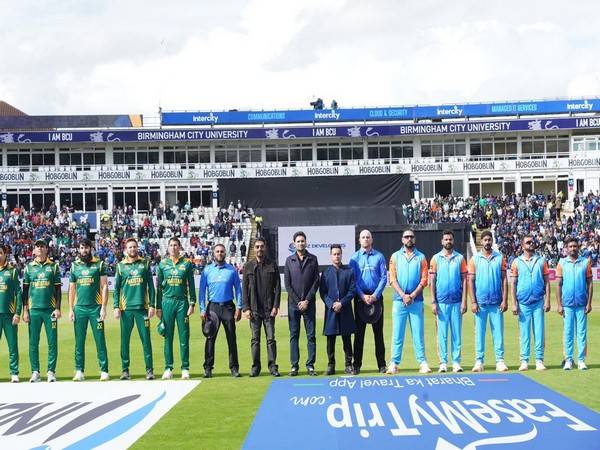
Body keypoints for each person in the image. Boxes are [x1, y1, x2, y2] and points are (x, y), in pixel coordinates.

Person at [388, 229, 432, 374]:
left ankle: (422, 362)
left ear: (414, 239)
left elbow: (424, 280)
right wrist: (403, 295)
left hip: (416, 301)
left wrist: (411, 296)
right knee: (397, 333)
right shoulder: (395, 256)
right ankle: (394, 363)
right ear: (402, 239)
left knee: (418, 333)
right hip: (399, 301)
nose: (409, 239)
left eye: (411, 237)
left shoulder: (421, 257)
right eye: (406, 237)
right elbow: (392, 279)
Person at [113, 238, 156, 380]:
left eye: (134, 247)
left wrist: (152, 305)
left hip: (142, 309)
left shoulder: (145, 264)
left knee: (146, 340)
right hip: (126, 310)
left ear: (137, 248)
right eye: (130, 247)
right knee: (124, 341)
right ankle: (125, 370)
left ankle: (149, 370)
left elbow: (151, 286)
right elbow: (117, 288)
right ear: (126, 249)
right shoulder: (120, 266)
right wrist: (116, 307)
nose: (132, 249)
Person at [68, 239, 109, 381]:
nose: (84, 250)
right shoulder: (74, 266)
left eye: (86, 248)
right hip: (79, 309)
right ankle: (79, 370)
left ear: (91, 249)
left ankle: (104, 370)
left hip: (95, 308)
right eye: (81, 247)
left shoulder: (99, 264)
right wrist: (70, 309)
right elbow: (72, 288)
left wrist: (103, 307)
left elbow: (104, 286)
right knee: (79, 341)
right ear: (79, 249)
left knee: (100, 340)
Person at [199, 243, 242, 378]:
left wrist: (239, 306)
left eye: (222, 251)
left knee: (231, 338)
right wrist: (202, 309)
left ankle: (234, 368)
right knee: (210, 338)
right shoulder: (207, 271)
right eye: (217, 251)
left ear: (225, 253)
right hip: (212, 308)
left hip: (228, 307)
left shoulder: (232, 270)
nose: (219, 253)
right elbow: (201, 291)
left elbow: (238, 290)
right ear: (214, 253)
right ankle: (208, 368)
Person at [156, 237, 196, 380]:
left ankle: (185, 368)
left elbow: (191, 285)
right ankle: (168, 367)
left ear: (180, 247)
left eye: (176, 245)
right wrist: (158, 307)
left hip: (182, 303)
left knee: (184, 336)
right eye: (171, 245)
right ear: (168, 248)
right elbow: (158, 289)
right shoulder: (162, 265)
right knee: (168, 337)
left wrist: (192, 303)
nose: (173, 248)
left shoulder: (186, 264)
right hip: (167, 302)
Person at [469, 230, 508, 372]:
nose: (487, 242)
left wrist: (505, 300)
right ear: (481, 242)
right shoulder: (475, 259)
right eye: (484, 240)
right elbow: (471, 281)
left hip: (496, 303)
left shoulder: (499, 258)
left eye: (489, 240)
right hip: (480, 304)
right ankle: (479, 361)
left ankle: (500, 361)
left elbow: (504, 280)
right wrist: (473, 302)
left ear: (492, 241)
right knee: (479, 333)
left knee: (498, 333)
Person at [23, 239, 62, 383]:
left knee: (52, 342)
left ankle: (51, 371)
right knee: (33, 342)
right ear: (34, 250)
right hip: (34, 311)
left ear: (47, 249)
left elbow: (58, 290)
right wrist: (25, 311)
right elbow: (25, 292)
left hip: (50, 311)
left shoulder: (54, 267)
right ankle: (35, 372)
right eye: (37, 246)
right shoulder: (29, 268)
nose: (39, 248)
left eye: (42, 246)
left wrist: (57, 308)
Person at [510, 234, 551, 371]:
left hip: (538, 302)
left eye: (532, 242)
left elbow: (547, 282)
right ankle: (524, 361)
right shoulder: (516, 262)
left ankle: (539, 360)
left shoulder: (541, 261)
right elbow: (513, 284)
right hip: (523, 303)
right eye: (528, 242)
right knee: (524, 333)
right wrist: (514, 303)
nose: (531, 244)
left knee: (539, 332)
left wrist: (548, 300)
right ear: (522, 246)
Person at [349, 229, 387, 374]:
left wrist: (375, 295)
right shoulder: (354, 258)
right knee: (359, 335)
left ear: (372, 239)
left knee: (378, 334)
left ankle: (381, 365)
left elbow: (384, 277)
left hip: (376, 299)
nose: (365, 239)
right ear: (359, 240)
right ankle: (356, 365)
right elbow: (353, 281)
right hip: (360, 299)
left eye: (368, 237)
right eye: (363, 237)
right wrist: (362, 296)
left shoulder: (379, 256)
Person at [430, 230, 468, 373]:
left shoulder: (460, 258)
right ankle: (443, 363)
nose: (448, 242)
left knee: (456, 333)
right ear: (442, 241)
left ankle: (456, 362)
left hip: (457, 302)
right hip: (441, 303)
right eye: (446, 239)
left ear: (453, 241)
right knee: (442, 334)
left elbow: (465, 280)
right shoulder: (435, 258)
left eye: (450, 239)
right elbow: (432, 282)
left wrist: (464, 301)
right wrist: (433, 302)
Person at [242, 238, 281, 377]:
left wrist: (276, 306)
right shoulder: (248, 266)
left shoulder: (272, 265)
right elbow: (244, 289)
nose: (260, 249)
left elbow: (278, 287)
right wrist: (246, 308)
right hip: (254, 310)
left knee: (271, 339)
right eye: (257, 247)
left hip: (269, 309)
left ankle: (272, 367)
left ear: (265, 248)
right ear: (254, 249)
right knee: (255, 340)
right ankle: (255, 367)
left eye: (262, 247)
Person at [284, 231, 319, 376]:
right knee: (294, 335)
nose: (300, 243)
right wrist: (298, 301)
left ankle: (310, 365)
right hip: (293, 305)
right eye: (298, 241)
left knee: (311, 336)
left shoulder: (313, 259)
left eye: (302, 241)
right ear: (294, 244)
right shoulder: (289, 260)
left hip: (309, 304)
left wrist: (307, 300)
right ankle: (294, 366)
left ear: (306, 242)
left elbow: (316, 281)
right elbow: (287, 284)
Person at [555, 237, 593, 370]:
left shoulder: (585, 263)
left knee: (582, 333)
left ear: (578, 247)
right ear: (566, 248)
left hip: (582, 304)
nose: (573, 248)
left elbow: (590, 284)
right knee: (568, 333)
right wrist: (559, 305)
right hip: (567, 305)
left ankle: (581, 360)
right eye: (570, 246)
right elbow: (558, 285)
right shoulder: (562, 263)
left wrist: (589, 303)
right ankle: (569, 360)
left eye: (575, 246)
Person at [320, 244, 356, 375]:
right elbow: (322, 292)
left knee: (347, 339)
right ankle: (331, 365)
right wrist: (331, 304)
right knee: (331, 339)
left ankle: (348, 365)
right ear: (331, 256)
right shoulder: (325, 273)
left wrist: (342, 303)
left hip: (345, 310)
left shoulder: (349, 271)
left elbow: (352, 291)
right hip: (331, 311)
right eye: (334, 254)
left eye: (338, 254)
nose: (337, 256)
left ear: (342, 255)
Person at [0, 245, 22, 382]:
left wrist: (17, 313)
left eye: (0, 253)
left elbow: (18, 293)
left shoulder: (12, 271)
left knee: (12, 345)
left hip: (9, 314)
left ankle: (14, 372)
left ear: (5, 254)